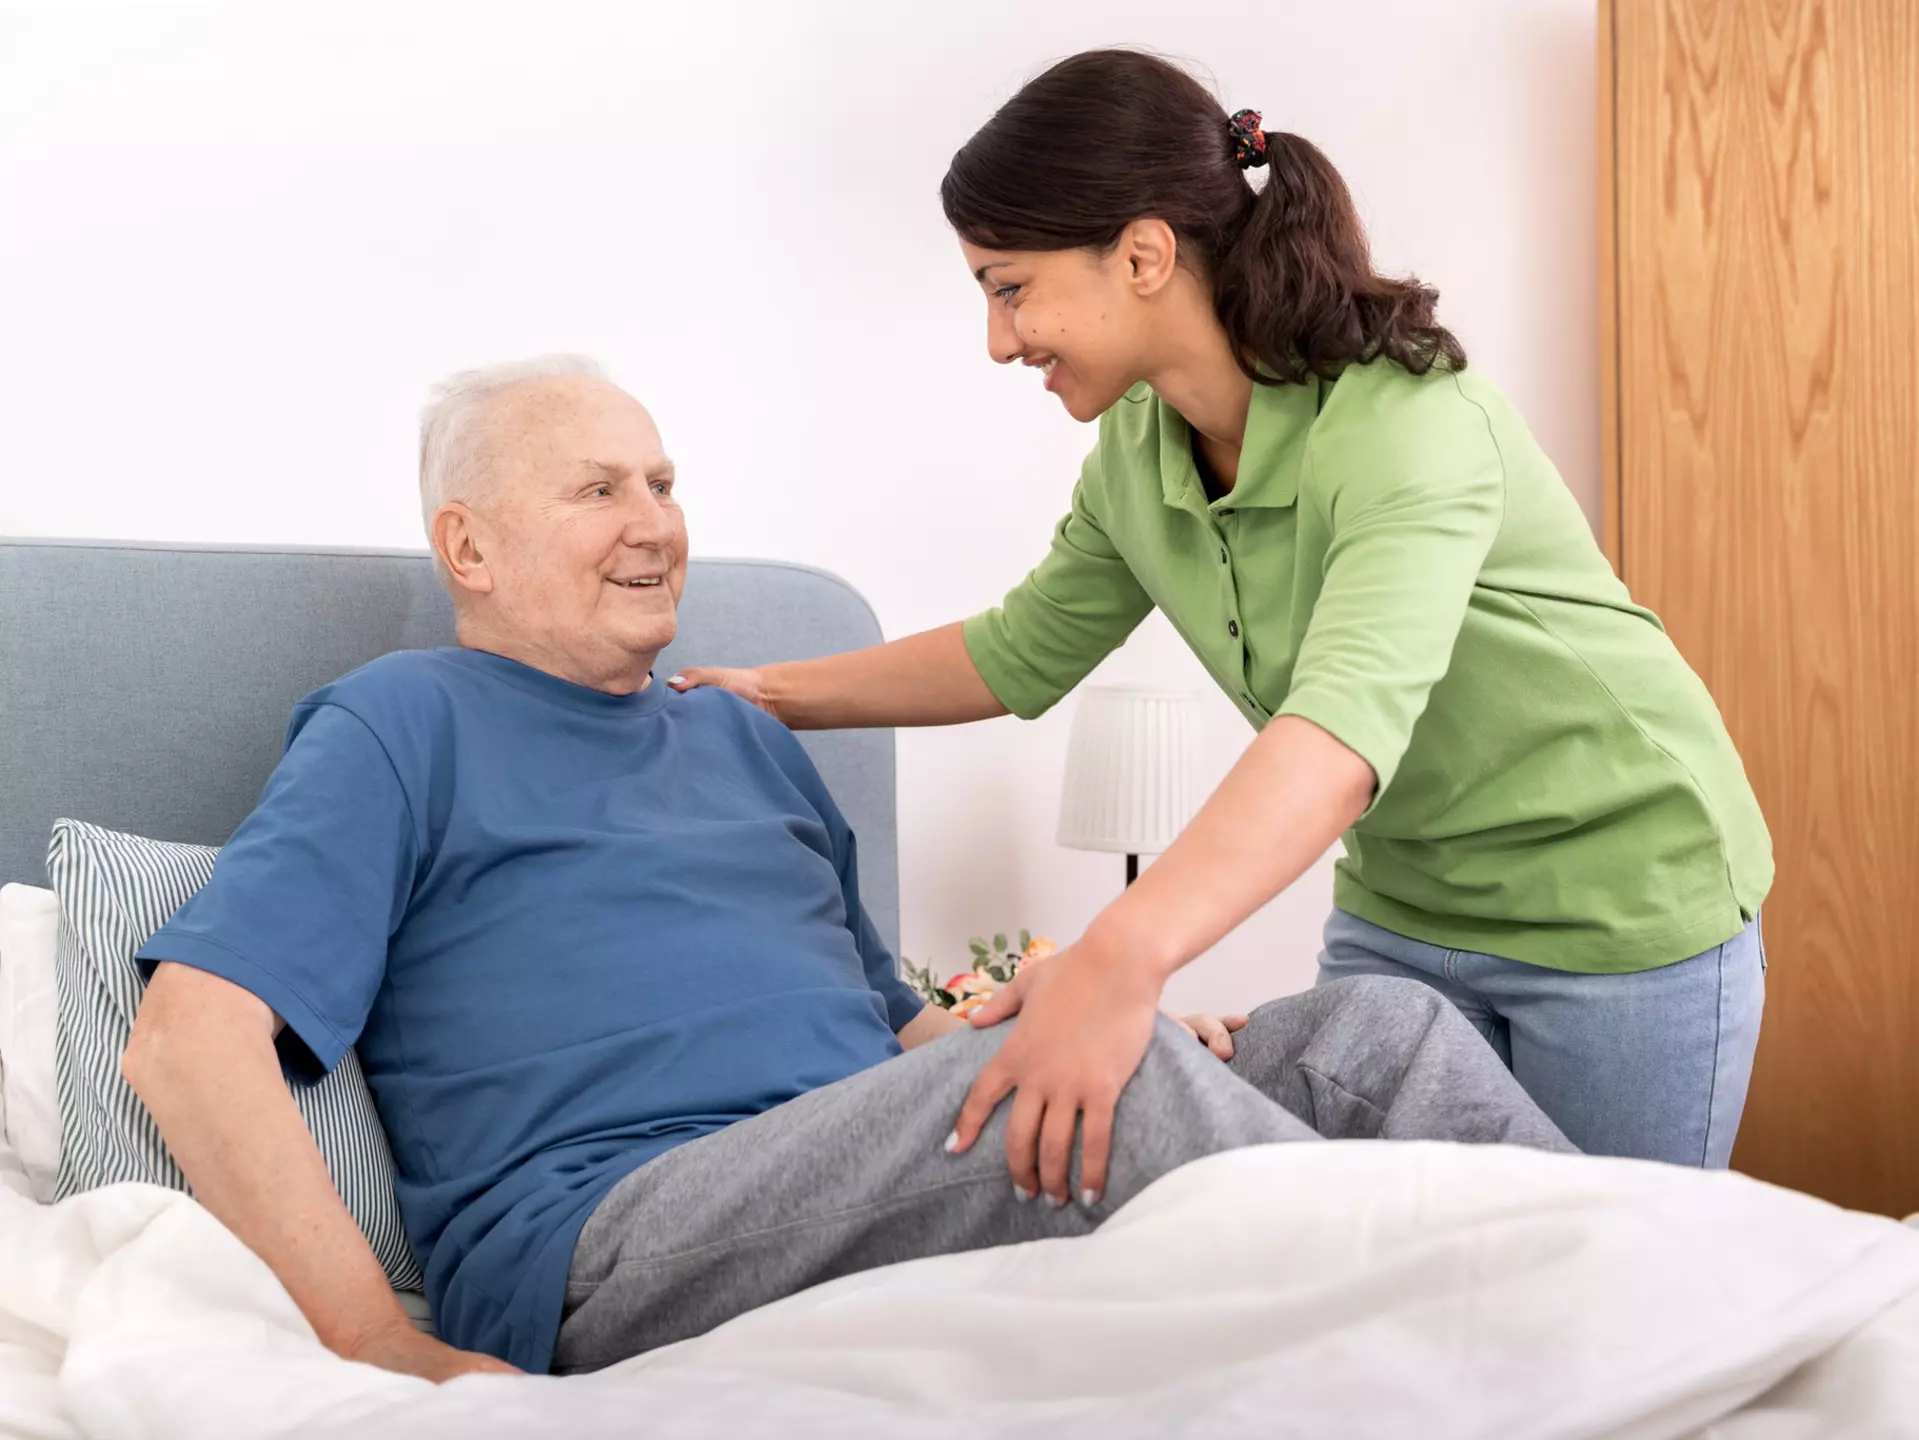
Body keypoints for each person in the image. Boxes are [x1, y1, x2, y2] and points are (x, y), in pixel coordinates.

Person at [121, 356, 1569, 1381]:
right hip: (617, 1223)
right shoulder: (400, 720)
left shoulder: (741, 741)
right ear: (470, 546)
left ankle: (1630, 1317)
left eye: (665, 480)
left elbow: (888, 1026)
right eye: (597, 489)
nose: (655, 521)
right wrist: (375, 1344)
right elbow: (188, 1037)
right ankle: (1494, 1365)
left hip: (860, 1144)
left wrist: (1050, 1009)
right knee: (1110, 1091)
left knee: (1378, 1038)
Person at [672, 49, 1772, 1177]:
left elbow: (1338, 737)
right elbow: (1016, 653)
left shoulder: (1406, 425)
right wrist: (764, 694)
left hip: (1617, 905)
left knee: (1610, 1303)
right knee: (1371, 1269)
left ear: (1143, 254)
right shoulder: (1138, 452)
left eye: (1010, 287)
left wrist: (1118, 958)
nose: (1001, 340)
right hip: (1403, 909)